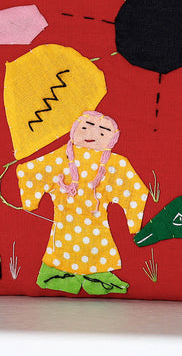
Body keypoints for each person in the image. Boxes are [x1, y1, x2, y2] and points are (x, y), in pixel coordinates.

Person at [16, 110, 149, 295]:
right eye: (85, 128)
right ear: (75, 129)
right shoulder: (62, 157)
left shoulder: (114, 164)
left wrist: (134, 223)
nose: (92, 135)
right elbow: (29, 171)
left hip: (96, 225)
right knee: (61, 249)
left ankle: (92, 275)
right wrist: (30, 202)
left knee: (96, 246)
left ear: (112, 138)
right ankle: (64, 273)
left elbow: (136, 190)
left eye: (102, 132)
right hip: (64, 225)